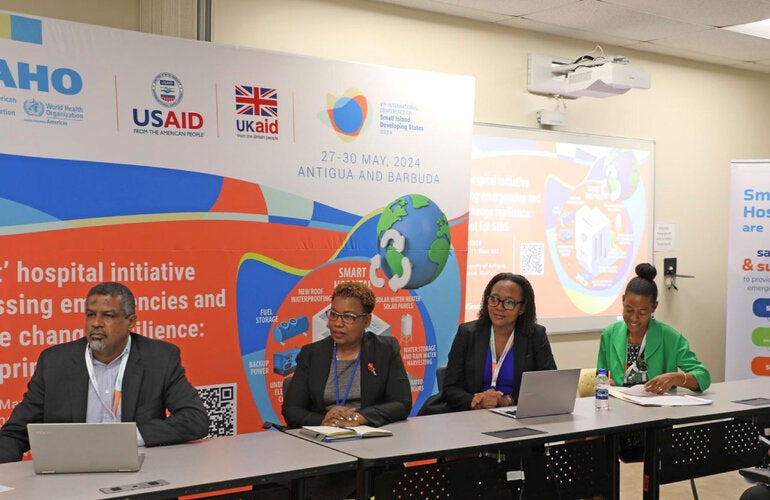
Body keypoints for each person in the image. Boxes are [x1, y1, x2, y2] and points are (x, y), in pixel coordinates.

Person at [0, 282, 210, 463]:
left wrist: (128, 438)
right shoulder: (56, 362)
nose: (96, 323)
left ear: (131, 322)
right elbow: (15, 433)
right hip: (72, 475)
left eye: (108, 315)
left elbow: (194, 419)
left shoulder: (159, 358)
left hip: (141, 471)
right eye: (91, 315)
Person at [282, 281, 412, 428]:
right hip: (324, 437)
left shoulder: (385, 350)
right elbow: (291, 409)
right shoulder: (312, 354)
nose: (338, 323)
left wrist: (360, 417)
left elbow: (402, 403)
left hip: (369, 435)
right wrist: (323, 420)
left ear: (367, 320)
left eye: (348, 317)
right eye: (334, 314)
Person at [442, 273, 556, 411]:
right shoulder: (467, 333)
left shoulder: (535, 336)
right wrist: (477, 401)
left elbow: (548, 384)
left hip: (516, 413)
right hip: (472, 415)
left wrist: (508, 400)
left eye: (509, 302)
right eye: (494, 299)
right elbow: (450, 387)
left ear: (522, 308)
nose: (499, 307)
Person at [597, 263, 710, 393]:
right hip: (620, 408)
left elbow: (703, 377)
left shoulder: (670, 337)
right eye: (629, 310)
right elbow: (601, 375)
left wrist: (675, 378)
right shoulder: (610, 334)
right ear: (623, 300)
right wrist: (605, 383)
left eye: (642, 313)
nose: (634, 318)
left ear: (654, 307)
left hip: (658, 410)